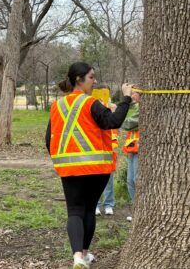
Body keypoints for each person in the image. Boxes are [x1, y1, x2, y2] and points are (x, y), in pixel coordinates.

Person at [45, 62, 133, 269]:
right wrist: (126, 98)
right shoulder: (90, 103)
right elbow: (112, 122)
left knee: (75, 211)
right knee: (89, 208)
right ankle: (84, 254)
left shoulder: (57, 106)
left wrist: (61, 158)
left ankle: (77, 257)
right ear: (79, 79)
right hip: (96, 168)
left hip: (69, 168)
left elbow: (49, 139)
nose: (94, 81)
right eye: (92, 77)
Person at [121, 90, 140, 221]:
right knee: (130, 181)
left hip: (140, 151)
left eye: (134, 93)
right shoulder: (138, 107)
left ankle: (140, 211)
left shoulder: (146, 109)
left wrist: (116, 114)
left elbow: (128, 124)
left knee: (136, 180)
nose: (132, 96)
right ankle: (138, 210)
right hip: (133, 149)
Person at [96, 127, 119, 216]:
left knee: (108, 182)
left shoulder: (111, 126)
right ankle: (95, 205)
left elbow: (114, 143)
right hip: (95, 159)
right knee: (94, 183)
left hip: (108, 160)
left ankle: (108, 205)